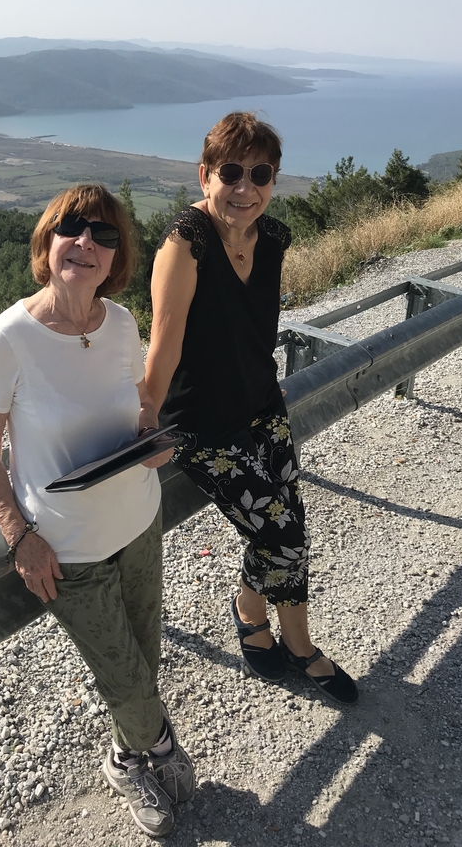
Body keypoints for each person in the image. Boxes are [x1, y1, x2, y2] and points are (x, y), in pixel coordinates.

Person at [0, 183, 195, 838]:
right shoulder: (7, 338)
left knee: (143, 659)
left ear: (116, 257)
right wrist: (19, 538)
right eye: (73, 228)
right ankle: (158, 747)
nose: (86, 243)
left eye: (104, 235)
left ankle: (127, 757)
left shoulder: (121, 324)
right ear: (48, 239)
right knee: (126, 678)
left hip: (140, 523)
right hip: (71, 550)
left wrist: (152, 442)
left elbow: (140, 407)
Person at [145, 112, 358, 705]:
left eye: (259, 173)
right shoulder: (185, 244)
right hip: (202, 425)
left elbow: (256, 326)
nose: (245, 187)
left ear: (273, 179)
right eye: (231, 172)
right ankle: (300, 647)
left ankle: (250, 610)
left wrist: (263, 379)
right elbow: (163, 346)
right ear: (205, 175)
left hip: (262, 405)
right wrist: (145, 425)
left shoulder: (274, 239)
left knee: (284, 519)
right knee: (284, 533)